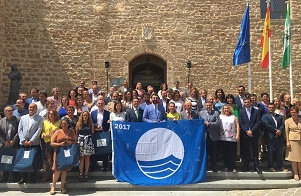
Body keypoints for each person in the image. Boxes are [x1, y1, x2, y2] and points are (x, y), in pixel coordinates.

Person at [17, 103, 43, 184]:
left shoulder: (40, 118)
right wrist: (23, 140)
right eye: (30, 107)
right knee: (23, 160)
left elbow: (39, 130)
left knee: (33, 160)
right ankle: (23, 177)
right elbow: (20, 129)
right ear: (28, 108)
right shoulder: (23, 118)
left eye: (33, 107)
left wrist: (32, 140)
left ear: (36, 109)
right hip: (23, 143)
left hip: (34, 143)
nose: (31, 109)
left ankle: (32, 177)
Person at [50, 119, 76, 195]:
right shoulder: (57, 132)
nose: (63, 125)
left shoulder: (72, 132)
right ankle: (53, 187)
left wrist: (71, 142)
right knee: (57, 170)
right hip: (59, 152)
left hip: (67, 153)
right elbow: (52, 143)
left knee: (64, 170)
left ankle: (62, 186)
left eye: (65, 123)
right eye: (62, 124)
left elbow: (75, 141)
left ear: (68, 124)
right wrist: (60, 144)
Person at [239, 98, 262, 173]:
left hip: (254, 133)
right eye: (245, 102)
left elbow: (258, 122)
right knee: (246, 150)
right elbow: (241, 123)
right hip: (245, 134)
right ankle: (246, 165)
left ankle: (256, 166)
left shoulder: (256, 111)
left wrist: (251, 131)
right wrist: (246, 131)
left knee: (255, 150)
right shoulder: (241, 112)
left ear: (250, 102)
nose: (247, 103)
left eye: (248, 102)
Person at [261, 103, 286, 172]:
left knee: (279, 152)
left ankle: (280, 166)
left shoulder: (279, 116)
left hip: (279, 137)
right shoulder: (265, 116)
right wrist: (275, 131)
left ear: (274, 108)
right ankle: (270, 166)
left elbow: (282, 125)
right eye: (269, 107)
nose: (271, 109)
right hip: (270, 137)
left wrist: (280, 130)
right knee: (270, 152)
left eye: (272, 107)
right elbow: (267, 125)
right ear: (268, 108)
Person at [199, 101, 221, 172]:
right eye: (207, 105)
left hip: (213, 135)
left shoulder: (216, 113)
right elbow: (199, 122)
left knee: (213, 152)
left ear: (211, 106)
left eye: (209, 105)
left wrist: (210, 123)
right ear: (205, 106)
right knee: (205, 152)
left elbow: (218, 123)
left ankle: (214, 167)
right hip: (204, 135)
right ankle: (205, 167)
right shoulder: (201, 113)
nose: (208, 106)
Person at [0, 106, 19, 183]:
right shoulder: (1, 121)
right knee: (5, 160)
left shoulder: (17, 119)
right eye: (8, 111)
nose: (10, 112)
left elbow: (18, 131)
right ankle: (5, 177)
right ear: (5, 112)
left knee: (14, 160)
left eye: (11, 110)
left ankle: (14, 177)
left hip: (14, 144)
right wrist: (4, 141)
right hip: (5, 144)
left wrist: (14, 140)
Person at [40, 109, 60, 181]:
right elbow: (41, 132)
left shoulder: (59, 123)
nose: (51, 115)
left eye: (52, 114)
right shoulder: (45, 122)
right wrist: (44, 135)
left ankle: (56, 175)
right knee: (47, 160)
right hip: (47, 143)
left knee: (55, 159)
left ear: (55, 115)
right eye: (50, 114)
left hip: (55, 143)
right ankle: (47, 175)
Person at [90, 99, 110, 171]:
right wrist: (96, 125)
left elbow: (108, 122)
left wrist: (109, 122)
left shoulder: (108, 113)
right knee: (95, 149)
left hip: (104, 133)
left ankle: (105, 167)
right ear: (97, 104)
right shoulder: (93, 113)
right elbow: (91, 122)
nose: (100, 104)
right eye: (99, 103)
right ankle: (93, 166)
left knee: (104, 149)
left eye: (102, 103)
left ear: (104, 104)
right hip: (96, 133)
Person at [219, 104, 240, 172]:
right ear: (223, 110)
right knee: (225, 153)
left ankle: (233, 167)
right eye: (225, 108)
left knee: (232, 153)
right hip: (223, 137)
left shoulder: (233, 117)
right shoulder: (220, 117)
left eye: (227, 108)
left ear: (230, 109)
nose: (226, 110)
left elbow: (237, 126)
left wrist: (237, 135)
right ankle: (226, 166)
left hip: (232, 138)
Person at [75, 111, 95, 182]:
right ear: (81, 116)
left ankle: (86, 173)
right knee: (81, 158)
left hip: (88, 141)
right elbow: (76, 134)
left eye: (86, 115)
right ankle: (81, 173)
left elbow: (92, 133)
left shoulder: (91, 124)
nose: (85, 117)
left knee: (87, 157)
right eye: (84, 115)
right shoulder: (78, 124)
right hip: (81, 141)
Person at [285, 107, 301, 181]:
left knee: (300, 158)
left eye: (294, 112)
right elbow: (286, 132)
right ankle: (296, 173)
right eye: (292, 112)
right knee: (294, 158)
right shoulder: (287, 121)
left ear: (297, 112)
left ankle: (300, 172)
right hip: (293, 140)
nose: (293, 114)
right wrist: (287, 141)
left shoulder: (300, 120)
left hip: (300, 140)